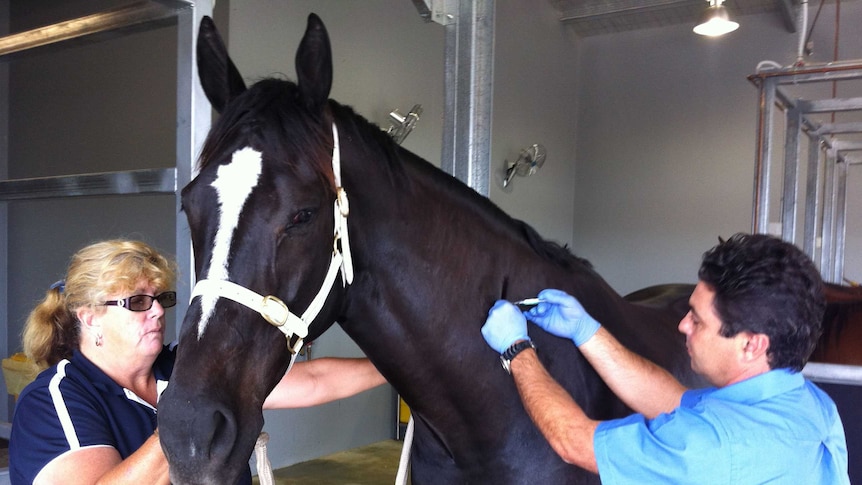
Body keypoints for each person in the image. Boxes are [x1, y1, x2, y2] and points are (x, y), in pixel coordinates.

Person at [9, 239, 386, 485]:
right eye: (137, 302)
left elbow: (315, 380)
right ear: (89, 316)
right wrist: (185, 412)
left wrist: (401, 369)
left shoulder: (182, 365)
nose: (157, 312)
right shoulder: (56, 400)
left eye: (160, 298)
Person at [481, 233, 850, 484]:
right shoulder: (811, 405)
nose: (683, 325)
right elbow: (671, 401)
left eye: (699, 320)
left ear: (752, 345)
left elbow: (574, 442)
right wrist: (586, 332)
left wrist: (516, 348)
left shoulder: (710, 444)